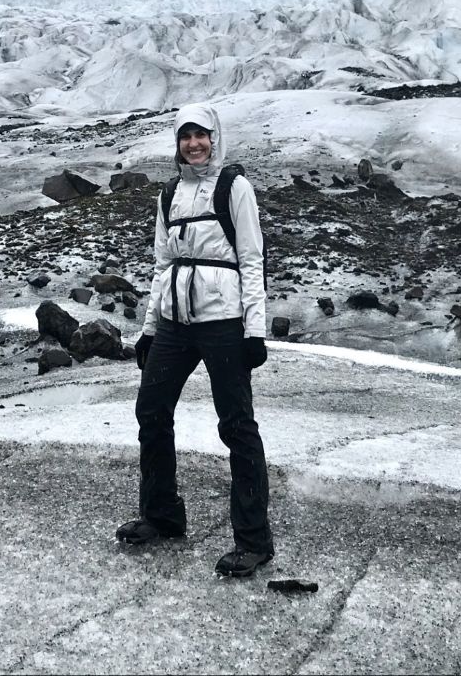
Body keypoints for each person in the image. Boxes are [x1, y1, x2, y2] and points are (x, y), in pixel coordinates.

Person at [115, 102, 274, 578]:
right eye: (185, 137)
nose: (194, 144)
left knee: (237, 426)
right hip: (174, 324)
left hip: (223, 322)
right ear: (178, 144)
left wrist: (254, 329)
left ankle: (253, 541)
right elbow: (162, 266)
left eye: (201, 135)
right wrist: (148, 329)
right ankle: (162, 515)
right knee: (151, 410)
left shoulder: (234, 187)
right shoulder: (168, 194)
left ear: (214, 138)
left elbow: (251, 259)